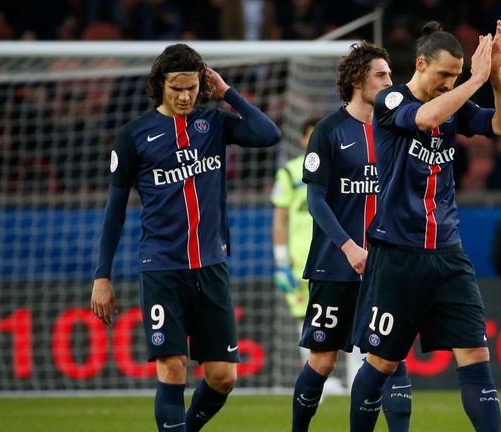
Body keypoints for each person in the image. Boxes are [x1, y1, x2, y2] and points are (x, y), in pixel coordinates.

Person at [90, 43, 282, 432]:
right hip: (163, 268)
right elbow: (114, 212)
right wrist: (102, 275)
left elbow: (269, 134)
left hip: (211, 266)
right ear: (159, 84)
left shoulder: (213, 124)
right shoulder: (133, 136)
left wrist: (227, 92)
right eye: (176, 87)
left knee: (223, 376)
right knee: (173, 365)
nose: (184, 96)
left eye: (192, 87)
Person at [350, 20, 501, 431]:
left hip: (447, 254)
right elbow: (426, 118)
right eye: (444, 74)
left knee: (477, 356)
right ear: (421, 63)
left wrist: (495, 74)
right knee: (383, 362)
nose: (450, 83)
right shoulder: (391, 100)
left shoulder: (453, 105)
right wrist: (474, 80)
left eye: (456, 76)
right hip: (398, 255)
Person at [294, 41, 413, 432]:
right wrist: (349, 247)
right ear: (359, 80)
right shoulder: (329, 131)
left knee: (389, 359)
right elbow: (315, 200)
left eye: (390, 75)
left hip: (385, 266)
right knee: (323, 362)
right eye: (381, 75)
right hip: (335, 264)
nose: (390, 82)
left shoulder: (396, 128)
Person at [271, 118, 320, 368]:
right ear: (302, 139)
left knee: (346, 315)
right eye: (310, 136)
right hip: (299, 257)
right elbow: (280, 218)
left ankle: (354, 378)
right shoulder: (290, 172)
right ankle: (316, 378)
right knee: (305, 318)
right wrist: (281, 261)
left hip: (333, 253)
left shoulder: (339, 169)